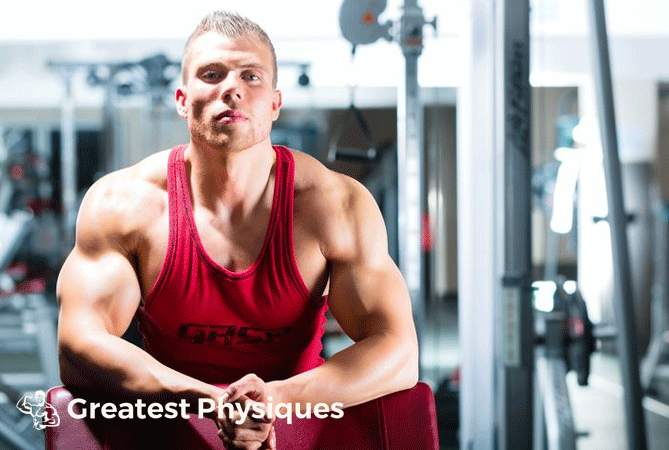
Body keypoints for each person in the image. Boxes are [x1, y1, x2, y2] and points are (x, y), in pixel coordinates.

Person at [56, 11, 418, 450]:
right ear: (182, 99)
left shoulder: (335, 205)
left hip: (294, 427)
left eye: (251, 75)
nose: (232, 88)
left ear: (274, 102)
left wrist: (273, 399)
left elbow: (398, 353)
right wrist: (209, 401)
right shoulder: (121, 204)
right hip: (172, 426)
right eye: (212, 74)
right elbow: (79, 346)